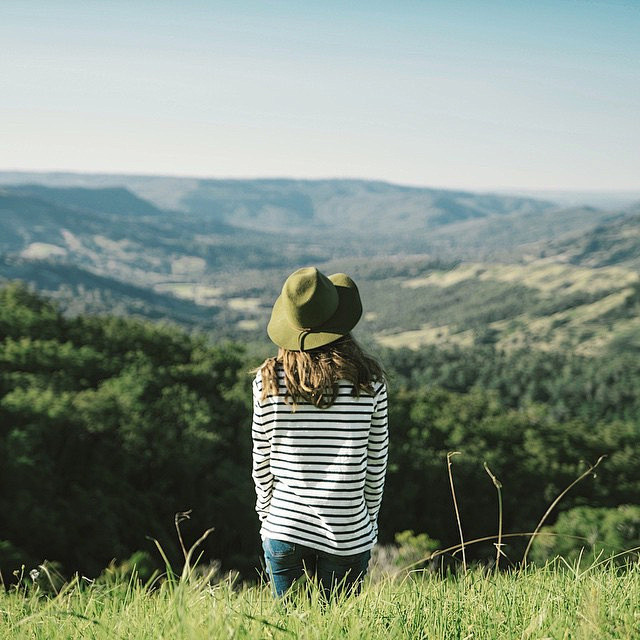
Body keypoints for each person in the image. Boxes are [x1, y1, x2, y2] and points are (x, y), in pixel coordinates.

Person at [251, 266, 389, 598]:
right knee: (339, 626)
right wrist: (366, 519)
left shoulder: (269, 380)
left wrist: (267, 514)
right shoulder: (368, 382)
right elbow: (375, 464)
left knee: (291, 628)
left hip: (284, 524)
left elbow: (262, 459)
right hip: (346, 530)